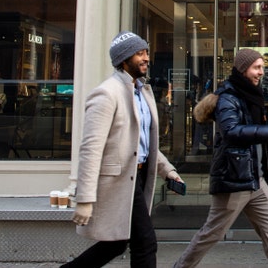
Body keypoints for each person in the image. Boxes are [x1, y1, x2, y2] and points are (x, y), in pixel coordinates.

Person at [63, 31, 182, 268]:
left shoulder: (143, 92)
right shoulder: (107, 93)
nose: (146, 57)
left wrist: (167, 171)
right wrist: (85, 198)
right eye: (139, 53)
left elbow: (142, 144)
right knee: (145, 243)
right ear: (124, 59)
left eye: (146, 52)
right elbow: (90, 149)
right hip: (117, 182)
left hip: (136, 177)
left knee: (117, 244)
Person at [175, 48, 268, 268]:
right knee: (211, 234)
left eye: (262, 68)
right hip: (233, 180)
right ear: (242, 69)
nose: (261, 72)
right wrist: (267, 133)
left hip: (256, 182)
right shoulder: (228, 97)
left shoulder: (253, 95)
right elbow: (231, 131)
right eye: (256, 67)